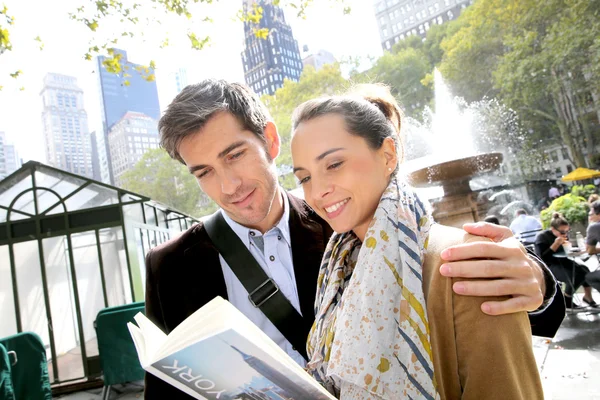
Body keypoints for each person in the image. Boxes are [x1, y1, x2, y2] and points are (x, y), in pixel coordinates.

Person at [145, 79, 562, 398]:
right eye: (203, 172)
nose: (229, 184)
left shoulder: (350, 215)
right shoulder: (169, 267)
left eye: (234, 155)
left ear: (270, 141)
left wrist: (537, 282)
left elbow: (472, 306)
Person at [291, 86, 544, 399]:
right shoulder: (337, 274)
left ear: (388, 155)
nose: (317, 191)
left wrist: (540, 275)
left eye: (333, 164)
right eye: (304, 177)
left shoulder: (464, 263)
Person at [535, 212, 598, 308]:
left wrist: (575, 249)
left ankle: (588, 297)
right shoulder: (542, 237)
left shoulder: (562, 236)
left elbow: (566, 252)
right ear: (553, 229)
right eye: (562, 232)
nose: (565, 234)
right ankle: (567, 299)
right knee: (575, 275)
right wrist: (555, 244)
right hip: (549, 266)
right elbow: (542, 258)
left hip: (562, 261)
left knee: (584, 270)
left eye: (567, 231)